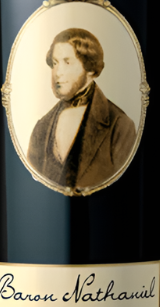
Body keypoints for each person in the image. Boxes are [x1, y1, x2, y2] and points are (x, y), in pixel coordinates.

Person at [28, 28, 136, 191]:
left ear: (90, 68)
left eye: (67, 62)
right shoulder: (41, 128)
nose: (58, 73)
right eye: (55, 63)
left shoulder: (120, 126)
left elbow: (127, 189)